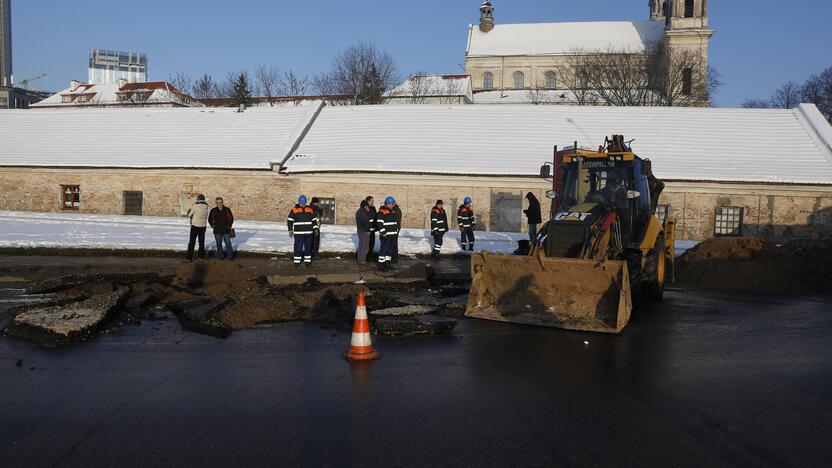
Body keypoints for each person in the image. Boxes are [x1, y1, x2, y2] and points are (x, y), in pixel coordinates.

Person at [288, 195, 319, 268]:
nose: (303, 204)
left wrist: (315, 228)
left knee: (308, 248)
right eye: (302, 203)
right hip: (299, 233)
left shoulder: (310, 209)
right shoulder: (294, 210)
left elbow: (314, 220)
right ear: (299, 202)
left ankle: (308, 263)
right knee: (298, 248)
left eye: (304, 203)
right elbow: (290, 220)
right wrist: (290, 229)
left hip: (309, 233)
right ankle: (297, 263)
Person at [376, 197, 399, 271]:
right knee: (384, 250)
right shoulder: (382, 211)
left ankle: (387, 263)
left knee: (389, 250)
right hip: (386, 235)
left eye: (393, 204)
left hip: (392, 235)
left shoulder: (392, 211)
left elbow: (394, 223)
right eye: (392, 204)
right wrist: (383, 232)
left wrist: (396, 231)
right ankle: (381, 265)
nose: (393, 205)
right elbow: (379, 222)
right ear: (388, 204)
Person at [185, 194, 210, 261]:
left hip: (195, 226)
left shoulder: (195, 206)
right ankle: (201, 256)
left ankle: (189, 257)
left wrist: (190, 209)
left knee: (192, 242)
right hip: (203, 226)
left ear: (198, 199)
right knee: (201, 242)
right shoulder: (206, 206)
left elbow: (189, 214)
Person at [355, 200, 372, 265]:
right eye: (367, 206)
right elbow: (366, 222)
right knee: (364, 246)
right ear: (365, 206)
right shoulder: (363, 212)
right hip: (364, 231)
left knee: (361, 245)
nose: (368, 207)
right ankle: (362, 260)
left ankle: (360, 259)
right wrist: (368, 231)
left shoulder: (359, 211)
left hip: (360, 230)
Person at [365, 196, 377, 262]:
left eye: (373, 201)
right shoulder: (366, 209)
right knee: (367, 245)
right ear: (368, 201)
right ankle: (366, 257)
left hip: (373, 230)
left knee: (372, 244)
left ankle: (370, 256)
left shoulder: (373, 208)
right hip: (367, 230)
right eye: (372, 201)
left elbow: (375, 217)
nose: (373, 202)